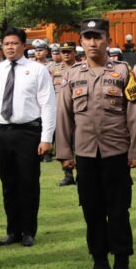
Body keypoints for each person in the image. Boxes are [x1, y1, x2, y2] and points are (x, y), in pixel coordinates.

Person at [55, 19, 136, 269]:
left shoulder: (123, 71)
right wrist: (64, 152)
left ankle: (121, 264)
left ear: (107, 39)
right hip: (85, 154)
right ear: (81, 42)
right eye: (88, 37)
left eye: (98, 37)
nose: (93, 42)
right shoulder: (72, 74)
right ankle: (99, 264)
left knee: (118, 210)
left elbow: (135, 113)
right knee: (92, 210)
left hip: (116, 152)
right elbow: (64, 116)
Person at [0, 26, 55, 248]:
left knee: (28, 183)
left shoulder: (37, 70)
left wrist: (47, 137)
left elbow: (48, 104)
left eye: (14, 43)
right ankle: (12, 230)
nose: (9, 47)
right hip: (1, 132)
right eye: (6, 44)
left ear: (24, 46)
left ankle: (28, 230)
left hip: (28, 132)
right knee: (8, 184)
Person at [56, 41, 78, 186]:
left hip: (78, 112)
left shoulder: (81, 68)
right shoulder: (53, 69)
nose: (66, 54)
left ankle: (81, 174)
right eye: (63, 51)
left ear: (74, 52)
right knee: (64, 144)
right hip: (59, 112)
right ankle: (68, 175)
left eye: (69, 51)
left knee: (80, 144)